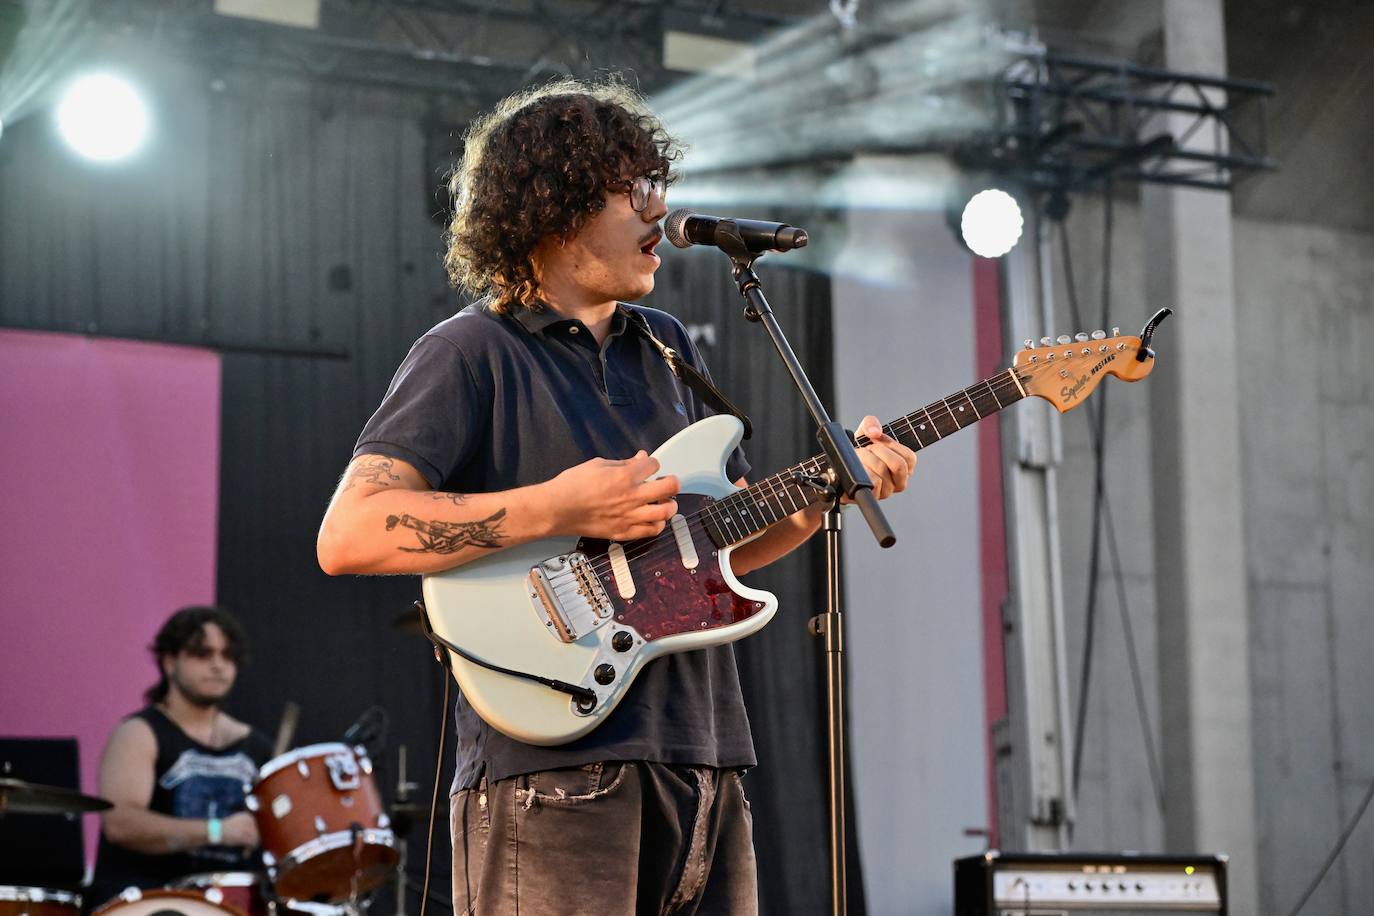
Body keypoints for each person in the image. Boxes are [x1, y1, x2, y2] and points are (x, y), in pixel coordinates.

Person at [315, 77, 916, 915]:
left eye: (658, 187)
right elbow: (350, 533)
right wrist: (556, 509)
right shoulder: (469, 352)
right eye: (636, 190)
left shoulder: (665, 348)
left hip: (703, 756)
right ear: (556, 207)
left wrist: (822, 498)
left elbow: (715, 550)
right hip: (553, 769)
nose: (659, 213)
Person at [89, 606, 272, 905]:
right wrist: (217, 830)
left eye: (228, 656)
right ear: (170, 661)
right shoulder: (140, 733)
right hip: (149, 901)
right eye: (203, 654)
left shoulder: (258, 746)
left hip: (233, 904)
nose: (218, 665)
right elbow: (121, 824)